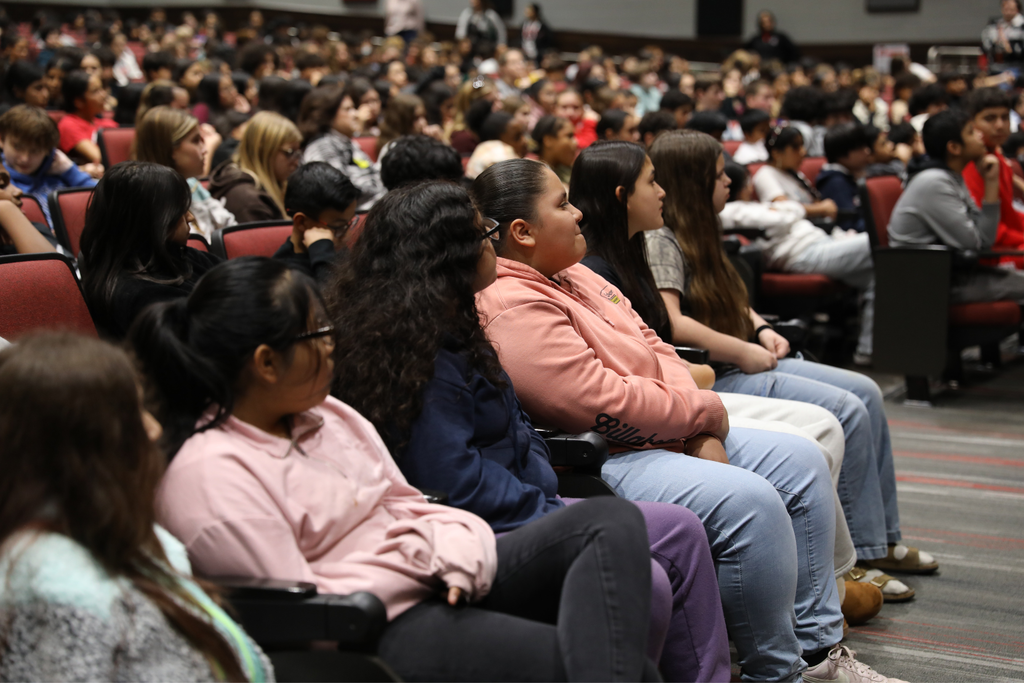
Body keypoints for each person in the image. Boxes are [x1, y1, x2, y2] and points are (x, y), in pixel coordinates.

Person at [471, 158, 906, 683]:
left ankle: (820, 651)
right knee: (751, 501)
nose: (578, 212)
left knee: (802, 460)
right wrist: (700, 417)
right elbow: (593, 401)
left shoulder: (574, 271)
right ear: (522, 232)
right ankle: (777, 671)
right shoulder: (509, 302)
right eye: (562, 204)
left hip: (667, 429)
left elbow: (657, 345)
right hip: (606, 454)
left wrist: (695, 425)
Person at [132, 256, 661, 683]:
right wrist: (419, 565)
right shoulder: (211, 473)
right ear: (266, 362)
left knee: (609, 522)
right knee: (629, 669)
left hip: (438, 574)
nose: (332, 346)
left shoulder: (326, 414)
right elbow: (302, 609)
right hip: (374, 625)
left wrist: (451, 553)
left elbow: (409, 502)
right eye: (317, 335)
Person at [328, 179, 731, 683]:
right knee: (638, 567)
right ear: (448, 257)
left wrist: (541, 485)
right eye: (483, 235)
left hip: (529, 501)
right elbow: (453, 482)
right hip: (484, 525)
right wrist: (541, 506)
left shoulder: (456, 320)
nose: (492, 243)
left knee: (682, 530)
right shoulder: (415, 355)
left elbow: (521, 428)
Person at [0, 333, 272, 682]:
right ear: (82, 447)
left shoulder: (114, 534)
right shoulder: (53, 586)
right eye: (134, 415)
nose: (155, 429)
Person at [889, 109, 1024, 304]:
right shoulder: (934, 182)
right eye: (971, 132)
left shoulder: (952, 176)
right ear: (954, 147)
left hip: (951, 272)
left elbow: (985, 239)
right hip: (929, 283)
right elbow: (974, 244)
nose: (979, 136)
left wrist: (991, 182)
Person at [80, 161, 222, 339]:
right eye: (179, 210)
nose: (190, 217)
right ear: (151, 219)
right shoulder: (141, 295)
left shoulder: (178, 255)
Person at [135, 106, 235, 239]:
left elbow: (231, 228)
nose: (205, 149)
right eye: (195, 140)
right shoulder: (152, 200)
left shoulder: (191, 183)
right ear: (170, 149)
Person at [0, 104, 96, 226]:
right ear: (1, 140)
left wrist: (71, 172)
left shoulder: (61, 172)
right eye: (17, 147)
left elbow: (106, 197)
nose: (25, 158)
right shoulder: (3, 185)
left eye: (35, 151)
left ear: (48, 151)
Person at [962, 88, 1024, 265]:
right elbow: (990, 231)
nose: (1000, 125)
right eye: (990, 118)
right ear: (971, 124)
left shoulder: (998, 158)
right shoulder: (971, 165)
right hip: (990, 255)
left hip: (1010, 245)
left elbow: (1010, 216)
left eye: (1005, 117)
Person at [298, 85, 386, 212]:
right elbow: (338, 192)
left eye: (354, 108)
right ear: (327, 115)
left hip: (377, 208)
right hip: (361, 215)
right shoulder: (322, 147)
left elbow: (372, 173)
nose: (356, 114)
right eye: (348, 109)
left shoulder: (345, 142)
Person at [273, 161, 359, 284]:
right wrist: (322, 251)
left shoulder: (337, 246)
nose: (347, 237)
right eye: (339, 226)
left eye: (349, 224)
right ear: (302, 222)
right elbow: (334, 295)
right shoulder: (283, 278)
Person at [208, 111, 301, 223]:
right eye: (290, 152)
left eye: (298, 153)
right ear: (264, 151)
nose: (296, 162)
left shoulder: (277, 183)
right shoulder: (249, 200)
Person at [753, 125, 838, 221]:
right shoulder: (765, 175)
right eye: (796, 147)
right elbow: (784, 208)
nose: (803, 151)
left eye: (802, 145)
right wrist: (821, 209)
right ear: (776, 153)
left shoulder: (794, 173)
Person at [816, 122, 872, 233]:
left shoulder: (850, 175)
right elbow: (849, 224)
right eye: (860, 148)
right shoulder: (835, 182)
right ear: (842, 154)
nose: (867, 151)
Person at [57, 69, 114, 173]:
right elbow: (103, 158)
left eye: (102, 89)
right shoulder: (68, 124)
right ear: (79, 101)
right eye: (95, 91)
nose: (103, 95)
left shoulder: (106, 122)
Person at [982, 0, 1024, 74]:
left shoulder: (1021, 25)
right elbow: (986, 43)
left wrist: (1006, 43)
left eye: (1011, 9)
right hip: (996, 65)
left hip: (1018, 66)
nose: (1008, 12)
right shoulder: (995, 24)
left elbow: (1017, 50)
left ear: (1017, 10)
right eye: (1005, 9)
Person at [532, 115, 577, 185]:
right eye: (569, 136)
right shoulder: (533, 176)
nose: (575, 142)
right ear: (548, 140)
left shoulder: (568, 172)